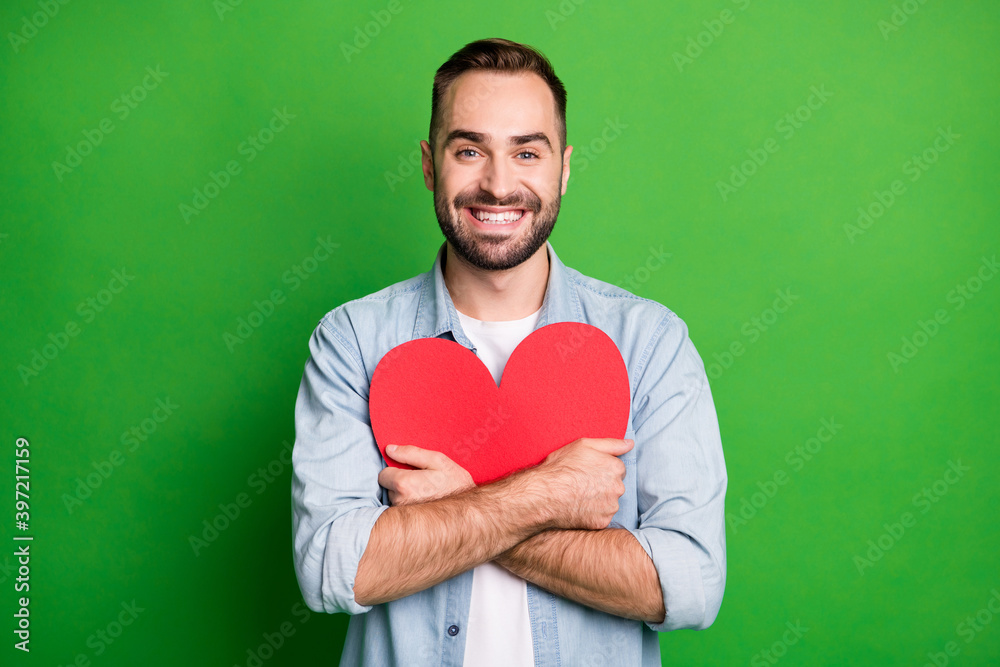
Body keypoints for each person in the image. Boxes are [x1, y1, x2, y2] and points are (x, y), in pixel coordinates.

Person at [291, 37, 727, 667]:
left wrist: (453, 506)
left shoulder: (650, 342)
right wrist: (549, 496)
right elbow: (333, 569)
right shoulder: (353, 339)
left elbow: (688, 584)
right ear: (428, 164)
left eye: (527, 151)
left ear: (564, 169)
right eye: (469, 150)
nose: (498, 185)